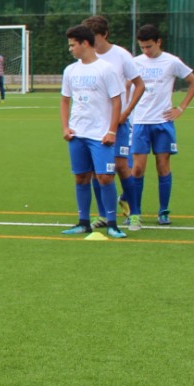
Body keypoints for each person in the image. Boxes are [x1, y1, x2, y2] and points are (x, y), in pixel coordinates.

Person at [129, 25, 194, 228]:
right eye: (142, 47)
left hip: (163, 123)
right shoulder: (135, 63)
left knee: (163, 166)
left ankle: (163, 211)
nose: (146, 51)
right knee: (137, 169)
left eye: (149, 46)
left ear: (159, 42)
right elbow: (126, 87)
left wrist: (181, 108)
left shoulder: (171, 62)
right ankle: (135, 212)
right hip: (140, 123)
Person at [59, 24, 127, 239]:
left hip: (100, 135)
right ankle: (83, 222)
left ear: (84, 44)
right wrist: (65, 127)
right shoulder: (70, 70)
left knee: (105, 178)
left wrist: (112, 131)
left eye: (72, 45)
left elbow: (117, 102)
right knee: (81, 178)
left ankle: (113, 224)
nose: (70, 49)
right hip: (77, 133)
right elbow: (65, 100)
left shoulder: (106, 69)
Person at [86, 15, 146, 226]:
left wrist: (127, 112)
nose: (91, 43)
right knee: (96, 169)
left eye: (95, 38)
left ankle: (135, 213)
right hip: (94, 124)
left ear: (105, 35)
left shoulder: (121, 56)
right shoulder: (86, 57)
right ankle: (103, 214)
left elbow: (140, 85)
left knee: (121, 166)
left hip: (118, 122)